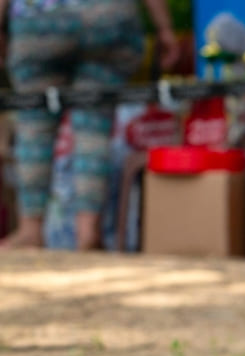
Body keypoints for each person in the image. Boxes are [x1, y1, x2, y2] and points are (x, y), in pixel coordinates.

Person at [0, 0, 179, 250]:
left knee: (34, 125)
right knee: (94, 125)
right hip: (105, 19)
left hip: (38, 20)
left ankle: (30, 229)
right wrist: (164, 28)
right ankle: (88, 231)